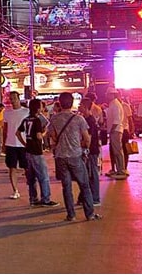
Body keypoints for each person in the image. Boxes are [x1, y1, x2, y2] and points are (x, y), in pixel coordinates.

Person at [47, 92, 102, 222]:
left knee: (66, 187)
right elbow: (87, 139)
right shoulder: (79, 119)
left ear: (60, 103)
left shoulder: (54, 119)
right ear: (72, 103)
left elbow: (53, 137)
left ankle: (71, 215)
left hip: (60, 156)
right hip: (75, 155)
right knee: (84, 185)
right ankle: (89, 214)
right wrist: (81, 145)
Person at [16, 98, 57, 207]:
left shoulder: (26, 119)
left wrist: (25, 143)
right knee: (43, 176)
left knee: (31, 177)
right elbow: (39, 136)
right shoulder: (37, 120)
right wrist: (45, 132)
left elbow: (18, 133)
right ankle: (46, 199)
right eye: (41, 106)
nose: (43, 108)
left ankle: (33, 199)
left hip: (28, 151)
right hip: (37, 151)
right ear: (38, 108)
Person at [2, 91, 29, 199]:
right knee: (12, 168)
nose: (12, 100)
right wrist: (3, 144)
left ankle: (31, 187)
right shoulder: (6, 112)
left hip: (23, 144)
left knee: (27, 167)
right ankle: (15, 190)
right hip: (10, 144)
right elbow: (5, 129)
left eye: (14, 98)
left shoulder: (26, 111)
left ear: (18, 98)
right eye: (11, 98)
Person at [78, 98, 102, 206]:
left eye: (81, 105)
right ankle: (84, 197)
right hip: (88, 150)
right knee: (87, 174)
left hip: (91, 150)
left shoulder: (90, 121)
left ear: (86, 107)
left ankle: (95, 198)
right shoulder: (85, 119)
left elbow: (89, 138)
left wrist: (81, 145)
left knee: (92, 174)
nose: (79, 107)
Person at [105, 90, 127, 179]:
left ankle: (121, 171)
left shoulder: (115, 104)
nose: (106, 95)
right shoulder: (113, 104)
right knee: (116, 151)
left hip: (116, 131)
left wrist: (111, 131)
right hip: (115, 130)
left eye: (108, 94)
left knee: (118, 151)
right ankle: (119, 170)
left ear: (112, 95)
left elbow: (116, 120)